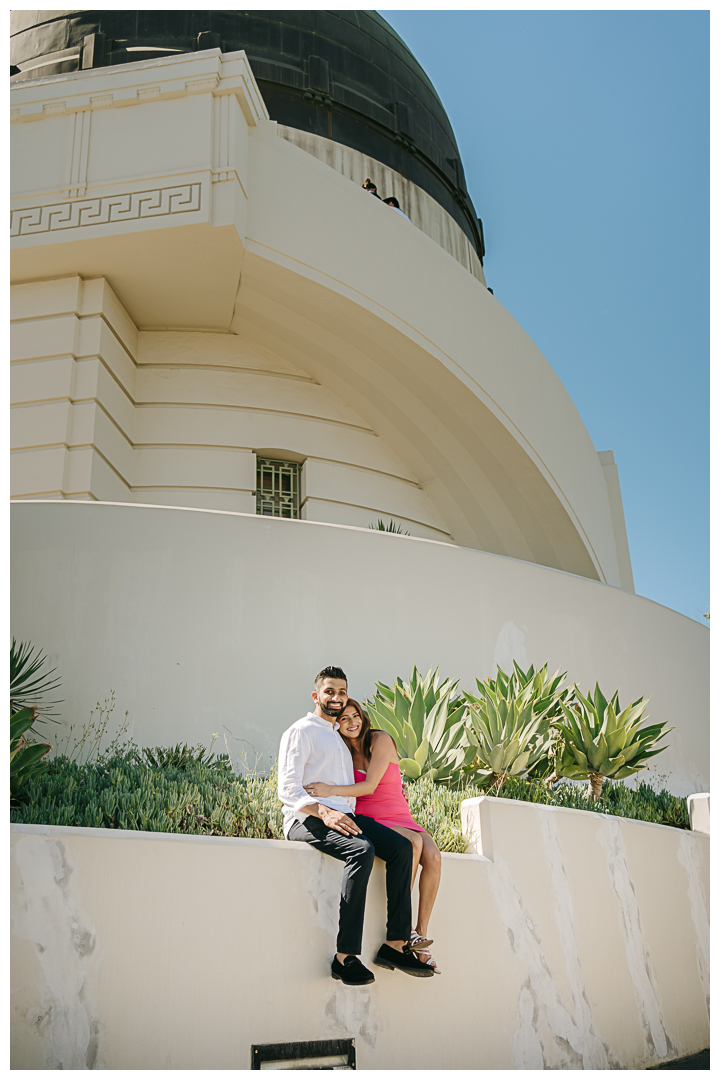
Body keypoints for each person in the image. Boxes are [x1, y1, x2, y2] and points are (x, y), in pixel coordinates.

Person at [278, 666, 435, 985]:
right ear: (316, 696)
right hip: (305, 818)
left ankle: (396, 944)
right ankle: (345, 957)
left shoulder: (340, 736)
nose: (336, 698)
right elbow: (287, 788)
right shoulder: (302, 731)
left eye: (342, 692)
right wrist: (323, 811)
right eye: (329, 692)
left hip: (343, 816)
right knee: (361, 851)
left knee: (403, 847)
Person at [305, 698, 442, 972]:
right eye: (344, 719)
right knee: (412, 844)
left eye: (356, 716)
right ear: (337, 725)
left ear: (363, 717)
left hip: (399, 814)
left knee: (435, 857)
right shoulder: (341, 751)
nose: (352, 722)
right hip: (371, 817)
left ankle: (418, 932)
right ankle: (400, 936)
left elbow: (369, 786)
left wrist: (328, 790)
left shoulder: (380, 740)